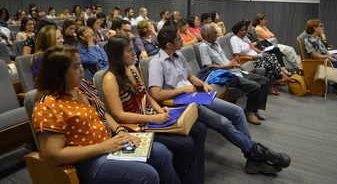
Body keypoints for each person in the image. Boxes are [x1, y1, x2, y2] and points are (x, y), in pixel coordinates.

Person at [149, 25, 291, 175]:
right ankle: (256, 152)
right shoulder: (157, 63)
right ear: (169, 45)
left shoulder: (179, 55)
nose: (183, 41)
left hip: (195, 97)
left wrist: (203, 84)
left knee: (236, 111)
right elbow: (156, 94)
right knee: (224, 123)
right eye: (179, 39)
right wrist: (183, 90)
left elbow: (189, 76)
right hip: (181, 104)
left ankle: (252, 157)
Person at [32, 45, 180, 184]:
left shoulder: (80, 87)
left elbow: (101, 114)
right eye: (76, 67)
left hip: (107, 144)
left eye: (81, 65)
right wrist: (104, 147)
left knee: (160, 152)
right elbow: (53, 155)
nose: (82, 70)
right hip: (85, 162)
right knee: (146, 174)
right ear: (59, 73)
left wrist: (120, 131)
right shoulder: (48, 106)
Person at [102, 35, 207, 184]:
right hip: (139, 126)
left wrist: (160, 110)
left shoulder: (132, 69)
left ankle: (193, 178)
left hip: (152, 117)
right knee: (186, 144)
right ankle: (182, 179)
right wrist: (153, 118)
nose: (135, 54)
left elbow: (146, 95)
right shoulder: (110, 78)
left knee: (199, 128)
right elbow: (119, 116)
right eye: (130, 51)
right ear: (118, 54)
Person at [199, 24, 270, 124]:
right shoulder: (203, 47)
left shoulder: (216, 43)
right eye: (215, 33)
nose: (217, 35)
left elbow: (223, 60)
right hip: (227, 75)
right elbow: (208, 67)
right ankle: (249, 112)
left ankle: (255, 108)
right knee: (255, 87)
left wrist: (233, 62)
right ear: (207, 35)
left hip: (235, 70)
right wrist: (228, 67)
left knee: (265, 81)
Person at [230, 21, 293, 95]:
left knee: (271, 56)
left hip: (257, 57)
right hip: (249, 61)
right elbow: (237, 54)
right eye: (242, 30)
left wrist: (261, 53)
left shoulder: (245, 38)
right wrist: (253, 57)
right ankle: (279, 78)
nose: (244, 32)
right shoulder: (235, 39)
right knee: (269, 62)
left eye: (244, 30)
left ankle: (276, 80)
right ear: (237, 30)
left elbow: (252, 47)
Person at [304, 19, 337, 98]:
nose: (322, 28)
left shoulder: (317, 38)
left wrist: (330, 56)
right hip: (322, 62)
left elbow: (325, 49)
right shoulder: (309, 41)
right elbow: (315, 56)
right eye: (320, 26)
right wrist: (328, 57)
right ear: (314, 28)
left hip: (327, 59)